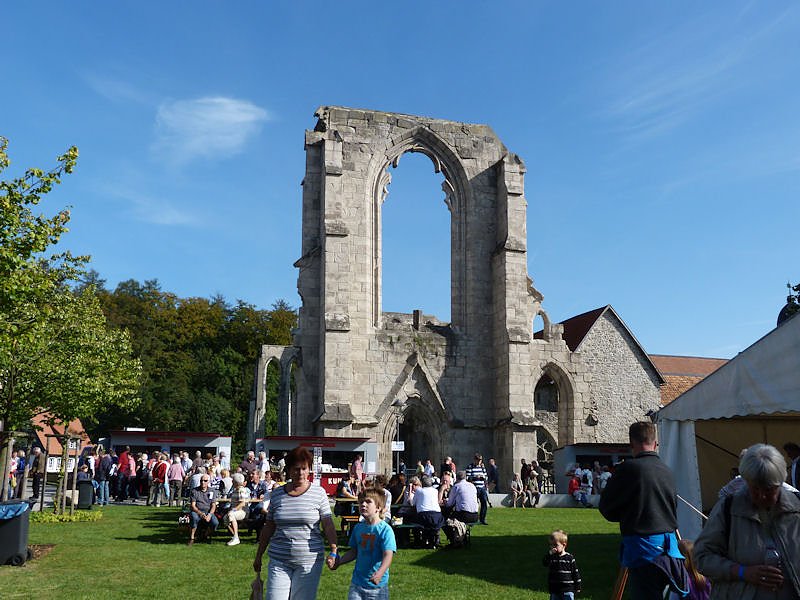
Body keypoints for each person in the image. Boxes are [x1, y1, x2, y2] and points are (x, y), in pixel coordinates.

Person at [694, 443, 800, 599]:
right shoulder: (728, 509)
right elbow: (702, 557)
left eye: (769, 489)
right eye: (755, 489)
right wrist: (742, 572)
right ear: (746, 481)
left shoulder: (797, 508)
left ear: (781, 483)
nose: (762, 496)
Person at [598, 421, 688, 599]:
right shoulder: (667, 470)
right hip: (670, 551)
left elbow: (607, 508)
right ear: (655, 444)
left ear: (631, 444)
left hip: (644, 550)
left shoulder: (628, 469)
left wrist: (628, 513)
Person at [253, 446, 339, 600]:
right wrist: (259, 555)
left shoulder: (318, 493)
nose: (300, 473)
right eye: (296, 468)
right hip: (279, 559)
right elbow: (269, 526)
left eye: (304, 468)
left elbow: (328, 524)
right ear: (289, 470)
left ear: (309, 469)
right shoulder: (278, 493)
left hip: (309, 561)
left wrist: (333, 549)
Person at [328, 488, 396, 599]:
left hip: (377, 587)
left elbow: (388, 554)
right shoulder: (358, 528)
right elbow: (354, 552)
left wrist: (380, 573)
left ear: (378, 508)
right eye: (361, 502)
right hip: (357, 584)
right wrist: (339, 562)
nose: (363, 504)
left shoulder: (385, 530)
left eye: (368, 502)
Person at [542, 529, 581, 600]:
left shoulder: (569, 558)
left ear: (564, 545)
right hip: (554, 589)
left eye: (555, 545)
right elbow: (544, 563)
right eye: (551, 545)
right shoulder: (552, 557)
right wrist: (549, 554)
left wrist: (577, 586)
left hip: (568, 589)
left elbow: (575, 572)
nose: (552, 547)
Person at [410, 475, 444, 548]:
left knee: (416, 522)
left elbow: (413, 503)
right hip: (437, 515)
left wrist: (410, 492)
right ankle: (433, 541)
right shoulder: (435, 491)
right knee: (431, 526)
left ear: (422, 483)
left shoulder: (419, 490)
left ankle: (423, 541)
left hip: (423, 516)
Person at [188, 474, 219, 545]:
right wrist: (200, 513)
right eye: (201, 481)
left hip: (208, 512)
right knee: (194, 517)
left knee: (215, 523)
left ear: (208, 482)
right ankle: (192, 537)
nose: (203, 482)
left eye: (205, 481)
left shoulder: (212, 491)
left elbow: (213, 505)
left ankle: (205, 535)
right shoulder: (194, 491)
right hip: (197, 511)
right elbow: (193, 505)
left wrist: (210, 515)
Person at [224, 472, 251, 546]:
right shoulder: (235, 490)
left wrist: (233, 510)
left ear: (236, 482)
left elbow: (242, 503)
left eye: (233, 480)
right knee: (225, 518)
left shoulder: (241, 490)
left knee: (231, 515)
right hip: (237, 511)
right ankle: (235, 536)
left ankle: (236, 537)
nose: (232, 481)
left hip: (243, 511)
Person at [466, 453, 489, 525]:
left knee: (484, 503)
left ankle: (482, 519)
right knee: (474, 504)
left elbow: (486, 477)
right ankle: (473, 518)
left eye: (481, 460)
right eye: (478, 460)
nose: (480, 461)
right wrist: (476, 477)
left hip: (482, 488)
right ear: (475, 460)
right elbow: (468, 478)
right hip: (474, 488)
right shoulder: (470, 466)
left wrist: (483, 478)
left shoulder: (482, 467)